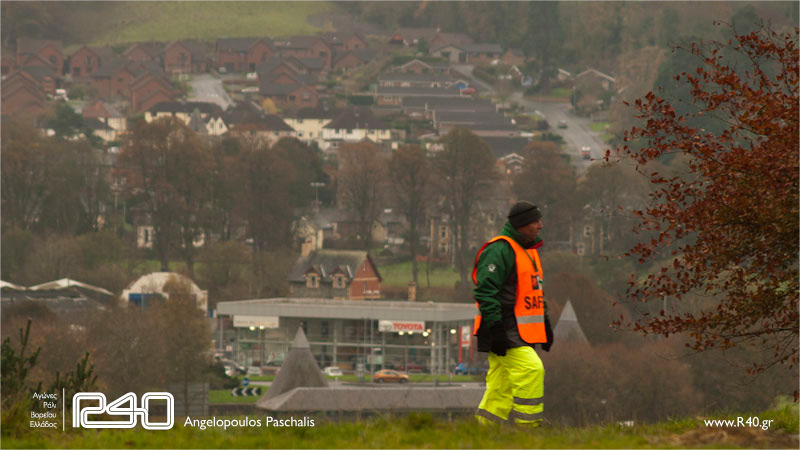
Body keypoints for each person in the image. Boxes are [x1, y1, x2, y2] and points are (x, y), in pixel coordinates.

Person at [472, 201, 553, 426]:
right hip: (504, 329)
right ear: (521, 225)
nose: (540, 225)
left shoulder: (529, 250)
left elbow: (534, 292)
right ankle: (528, 430)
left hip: (517, 330)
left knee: (501, 387)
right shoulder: (500, 249)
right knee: (531, 370)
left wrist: (545, 324)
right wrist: (496, 330)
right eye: (535, 221)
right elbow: (485, 293)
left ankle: (481, 433)